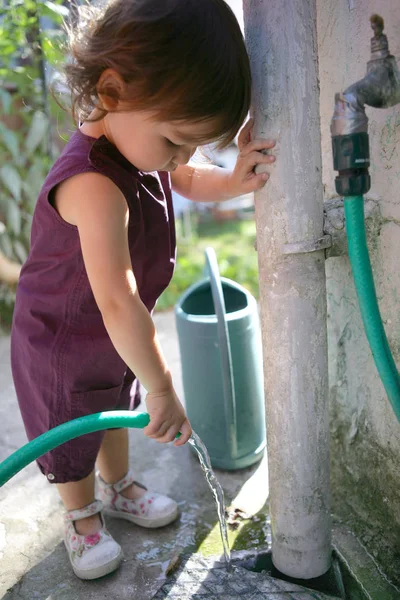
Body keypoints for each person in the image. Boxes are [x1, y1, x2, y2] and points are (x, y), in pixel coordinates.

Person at [10, 0, 275, 581]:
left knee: (117, 409)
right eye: (177, 141)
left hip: (107, 334)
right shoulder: (92, 184)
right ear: (111, 91)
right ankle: (80, 514)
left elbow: (179, 177)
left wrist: (231, 180)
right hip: (62, 342)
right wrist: (163, 385)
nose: (180, 159)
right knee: (72, 429)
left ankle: (120, 485)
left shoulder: (138, 135)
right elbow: (116, 299)